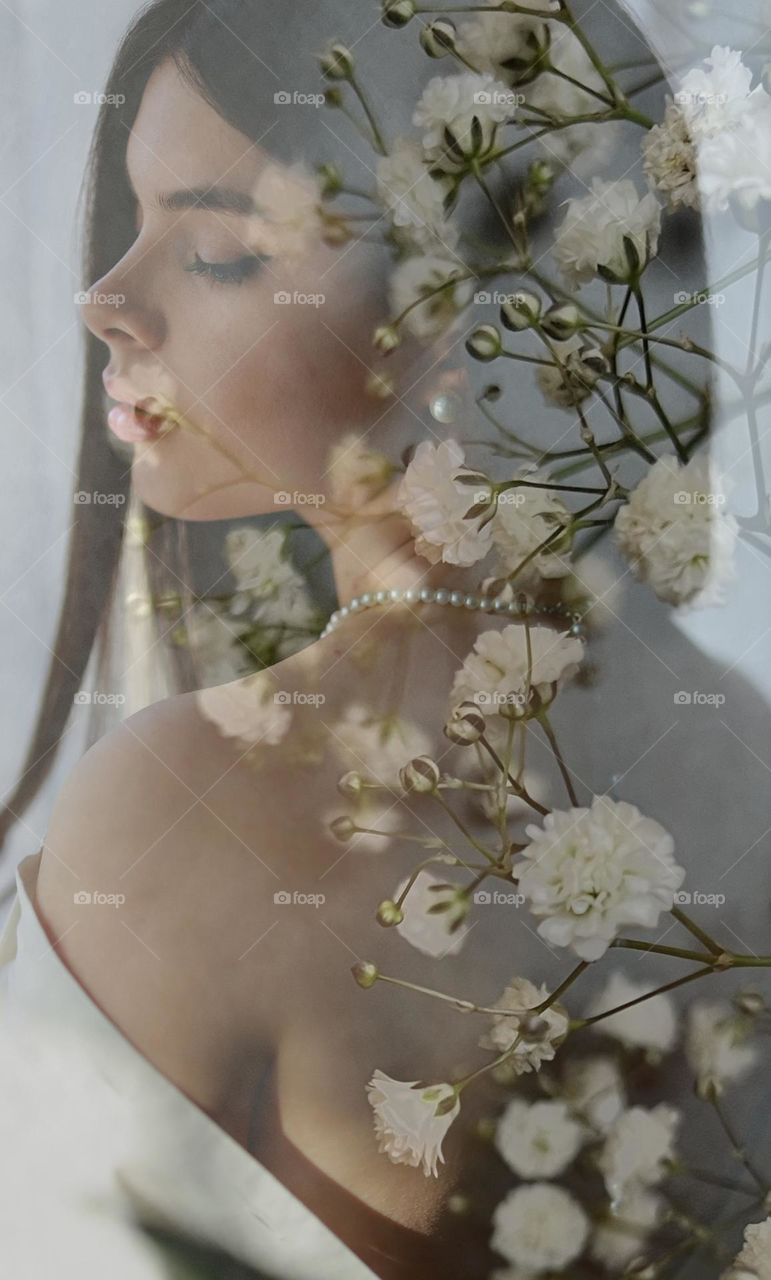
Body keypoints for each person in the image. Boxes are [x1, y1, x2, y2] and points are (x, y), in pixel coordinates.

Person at [2, 2, 770, 1278]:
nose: (105, 300)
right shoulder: (743, 750)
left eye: (218, 253)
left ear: (469, 325)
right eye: (134, 223)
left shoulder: (189, 807)